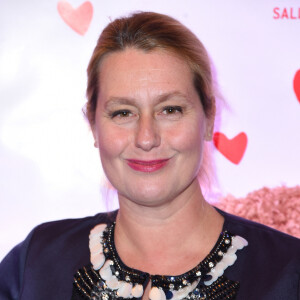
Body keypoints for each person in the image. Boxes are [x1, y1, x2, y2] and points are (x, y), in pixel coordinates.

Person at [0, 11, 299, 300]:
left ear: (208, 119)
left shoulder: (288, 273)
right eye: (123, 113)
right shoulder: (35, 263)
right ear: (93, 125)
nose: (146, 138)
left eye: (170, 110)